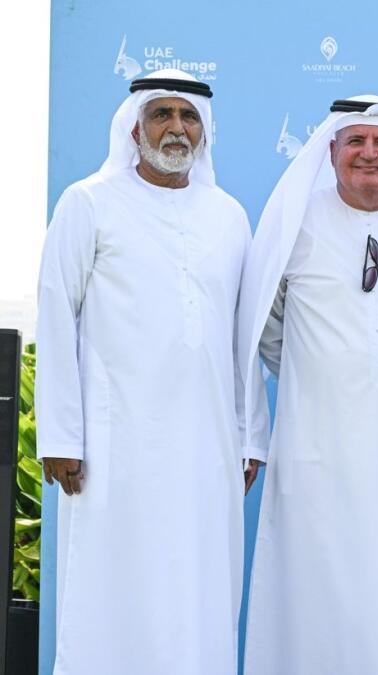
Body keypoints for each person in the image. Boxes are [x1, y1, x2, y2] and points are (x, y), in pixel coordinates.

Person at [35, 69, 251, 675]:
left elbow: (241, 334)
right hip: (113, 444)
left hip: (207, 444)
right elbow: (56, 316)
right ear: (135, 127)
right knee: (112, 590)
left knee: (197, 589)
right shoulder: (88, 202)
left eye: (188, 117)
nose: (176, 128)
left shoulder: (229, 215)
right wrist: (59, 437)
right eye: (162, 115)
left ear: (203, 133)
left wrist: (249, 434)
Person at [237, 96, 378, 675]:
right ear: (331, 151)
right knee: (316, 594)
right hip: (317, 449)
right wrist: (328, 382)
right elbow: (268, 329)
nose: (369, 153)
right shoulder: (295, 224)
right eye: (355, 141)